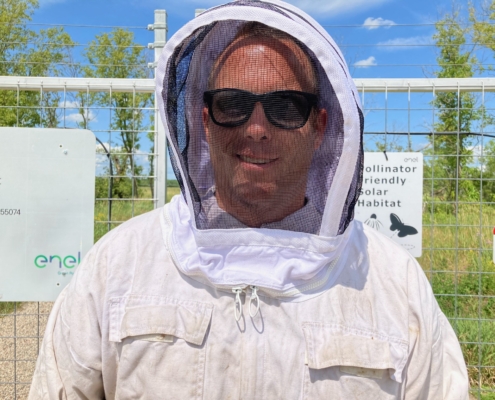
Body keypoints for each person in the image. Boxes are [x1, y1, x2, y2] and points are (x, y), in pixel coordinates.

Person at [29, 1, 469, 399]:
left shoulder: (392, 282)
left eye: (285, 107)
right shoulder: (119, 265)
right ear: (203, 121)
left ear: (320, 127)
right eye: (233, 104)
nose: (256, 128)